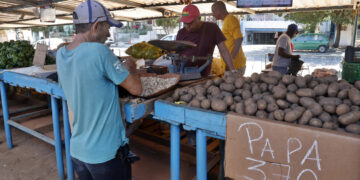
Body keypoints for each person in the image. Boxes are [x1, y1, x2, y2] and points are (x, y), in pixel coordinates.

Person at [56, 1, 142, 179]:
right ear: (96, 26)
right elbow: (136, 89)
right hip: (105, 154)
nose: (109, 33)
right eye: (107, 27)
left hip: (78, 150)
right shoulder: (99, 52)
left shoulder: (61, 54)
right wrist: (132, 68)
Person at [176, 4, 235, 77]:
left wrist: (232, 71)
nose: (187, 26)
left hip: (203, 76)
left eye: (190, 23)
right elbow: (177, 55)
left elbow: (224, 50)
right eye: (185, 23)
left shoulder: (212, 28)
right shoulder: (181, 33)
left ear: (199, 18)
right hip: (182, 75)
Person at [211, 1, 247, 76]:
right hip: (231, 65)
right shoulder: (226, 21)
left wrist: (231, 60)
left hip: (235, 65)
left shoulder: (230, 19)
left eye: (213, 11)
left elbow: (239, 39)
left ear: (219, 10)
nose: (212, 14)